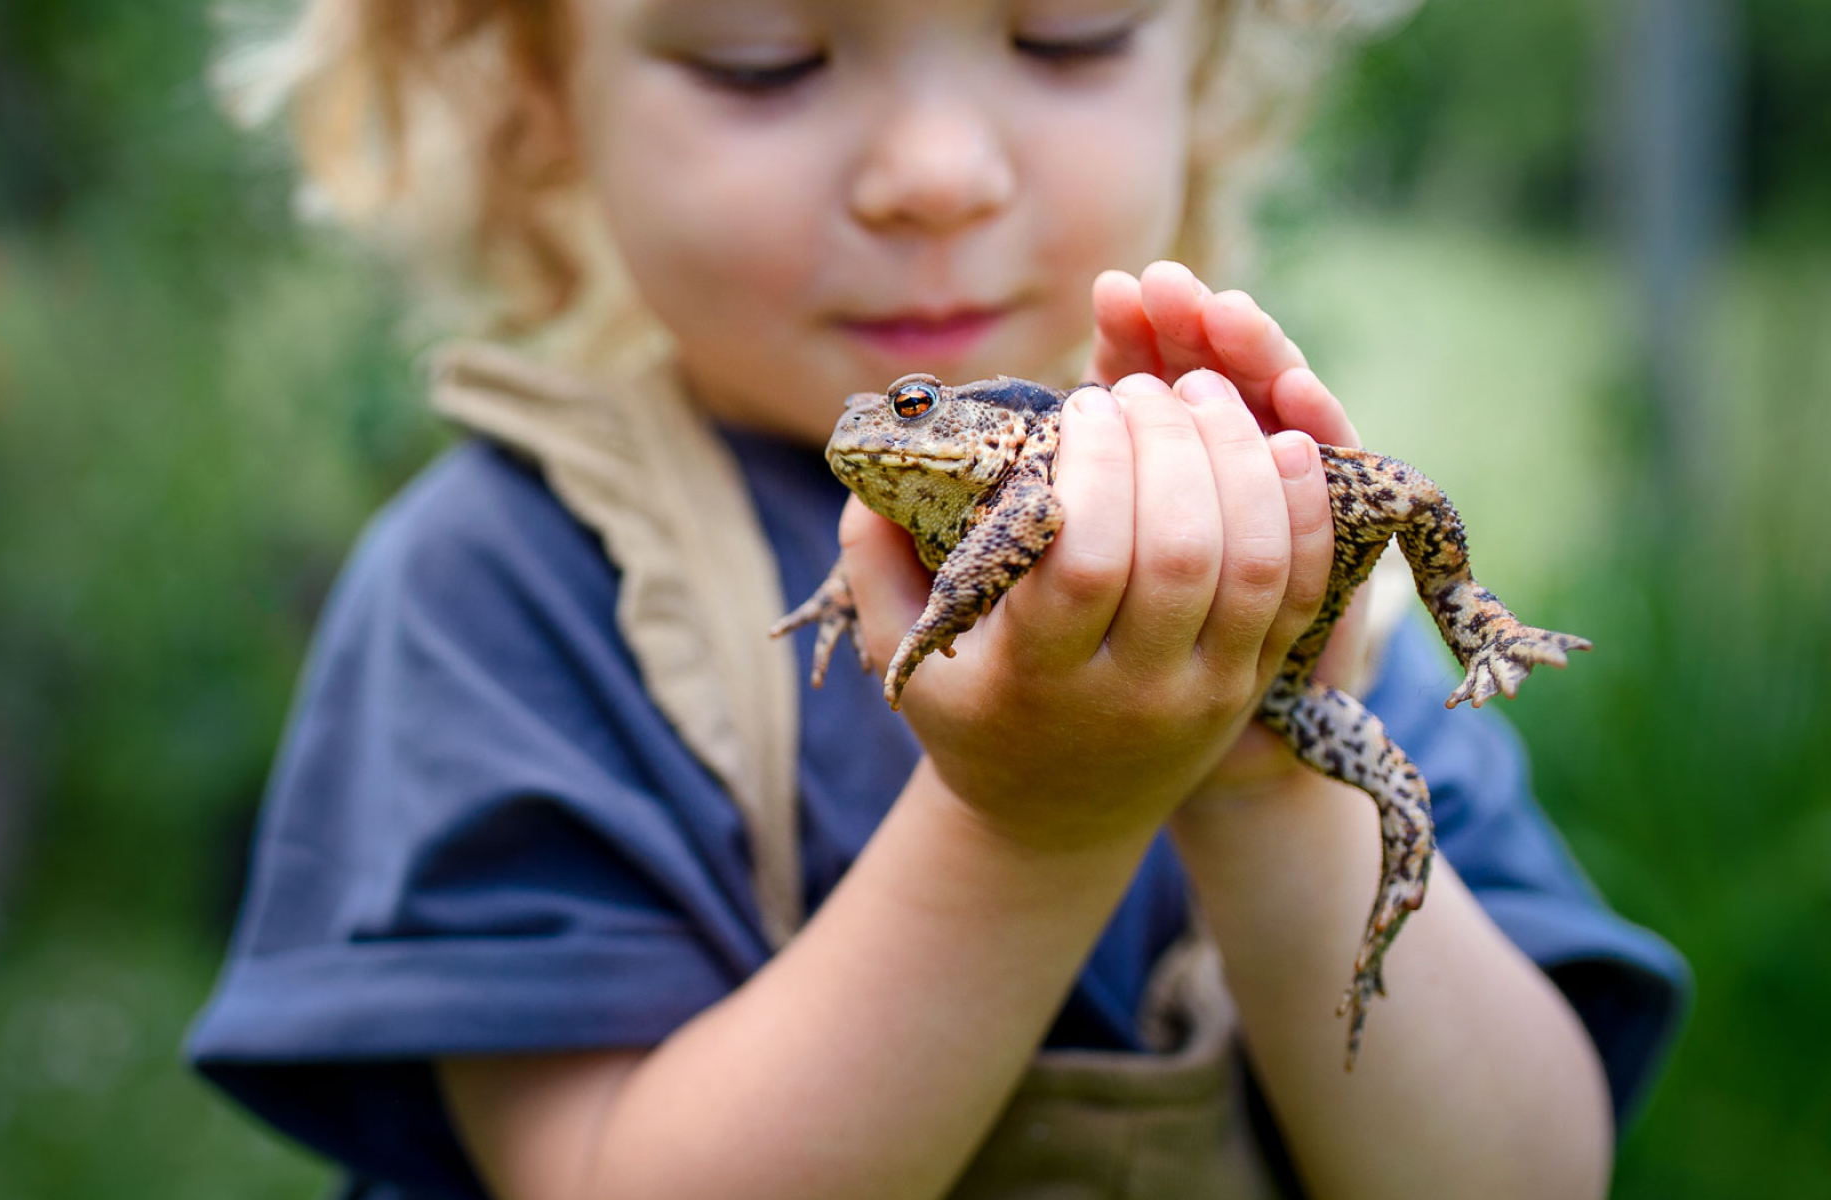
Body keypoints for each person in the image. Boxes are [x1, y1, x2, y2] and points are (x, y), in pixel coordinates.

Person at [184, 1, 1689, 1196]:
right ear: (535, 92)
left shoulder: (1248, 533)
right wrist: (1033, 820)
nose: (935, 175)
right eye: (761, 59)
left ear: (1210, 61)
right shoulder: (498, 591)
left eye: (1067, 37)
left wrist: (1262, 774)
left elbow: (1533, 1177)